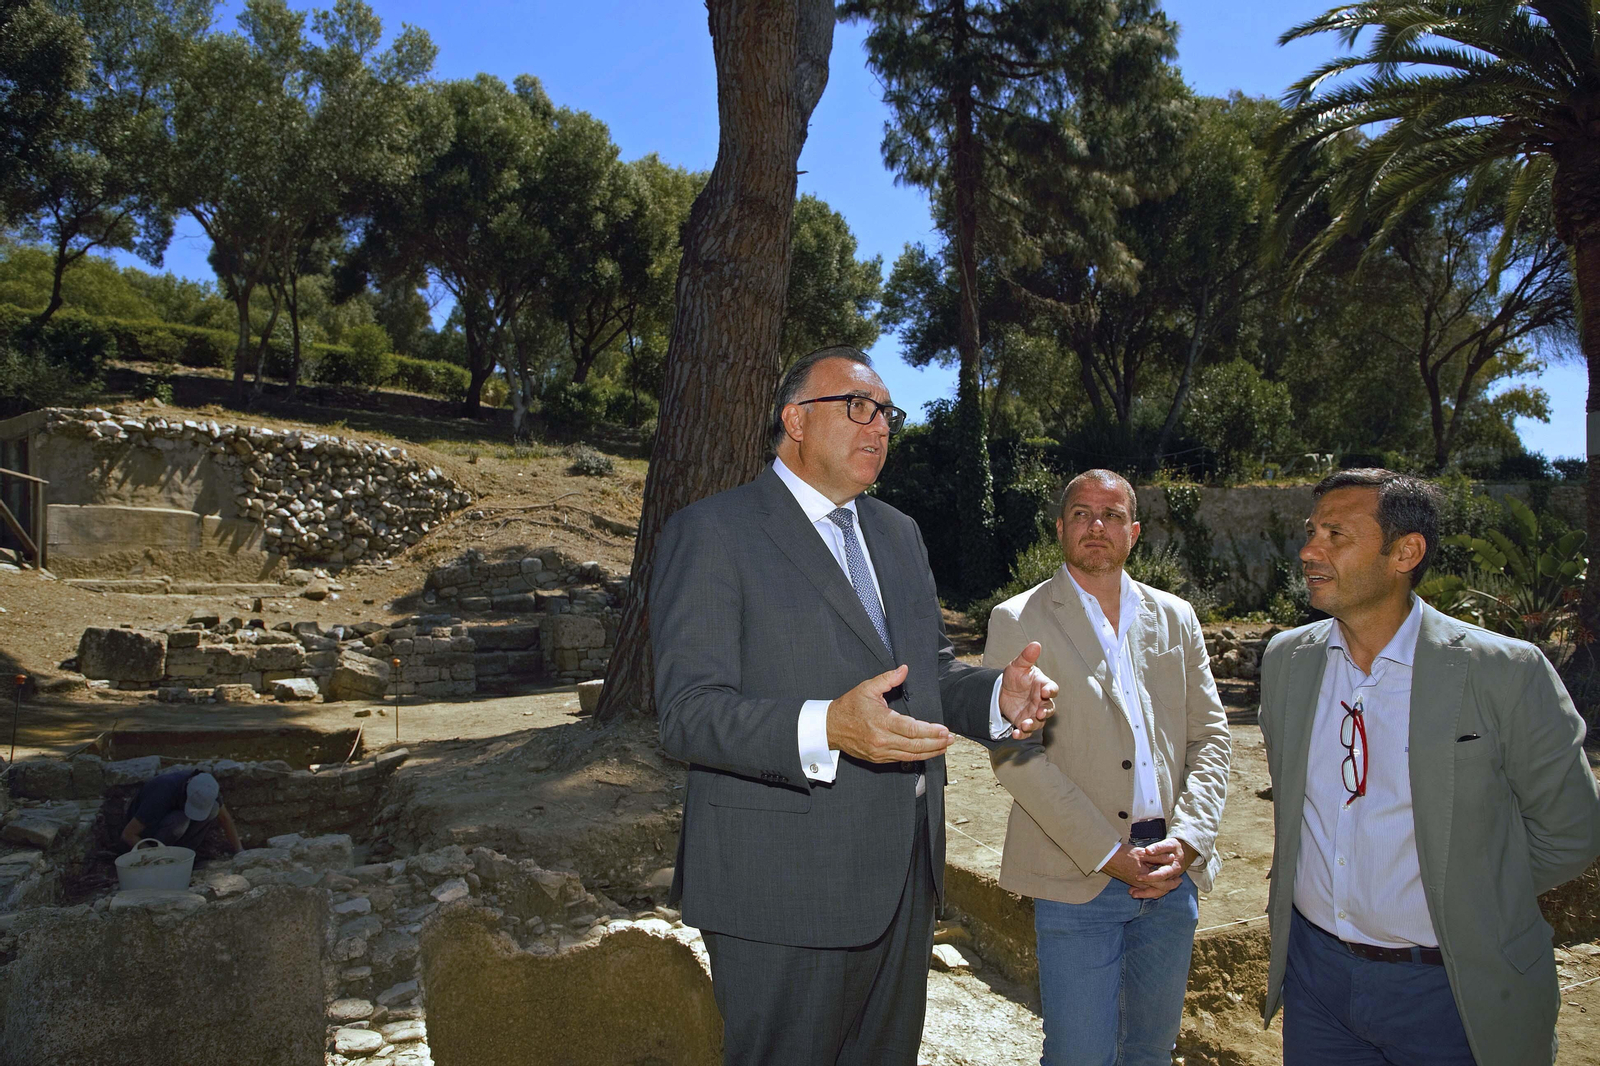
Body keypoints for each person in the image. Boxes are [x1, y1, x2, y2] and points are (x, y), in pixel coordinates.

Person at [651, 345, 1060, 1066]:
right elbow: (688, 711)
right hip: (777, 886)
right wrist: (826, 727)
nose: (878, 426)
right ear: (794, 420)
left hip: (904, 879)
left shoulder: (898, 534)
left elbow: (924, 673)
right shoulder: (711, 532)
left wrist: (997, 694)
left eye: (886, 415)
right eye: (856, 407)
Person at [1258, 468, 1600, 1065]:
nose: (1310, 551)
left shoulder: (1504, 672)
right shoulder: (1288, 662)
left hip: (1452, 991)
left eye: (1336, 534)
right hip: (1317, 986)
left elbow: (1571, 832)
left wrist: (1469, 894)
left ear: (1405, 552)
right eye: (1311, 532)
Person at [983, 469, 1231, 1066]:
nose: (1097, 525)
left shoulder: (1177, 617)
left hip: (1173, 878)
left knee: (1150, 1051)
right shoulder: (1016, 620)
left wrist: (1191, 839)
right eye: (1081, 513)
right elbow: (1015, 754)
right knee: (1078, 1056)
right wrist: (1106, 852)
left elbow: (1213, 737)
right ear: (1060, 527)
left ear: (1135, 531)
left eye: (1113, 514)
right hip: (1077, 878)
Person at [121, 768, 241, 855]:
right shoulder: (161, 793)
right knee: (179, 821)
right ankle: (165, 856)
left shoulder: (207, 787)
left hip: (175, 828)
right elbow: (128, 834)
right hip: (149, 834)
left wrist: (240, 851)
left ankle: (187, 854)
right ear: (186, 792)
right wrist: (153, 856)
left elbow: (225, 819)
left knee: (214, 809)